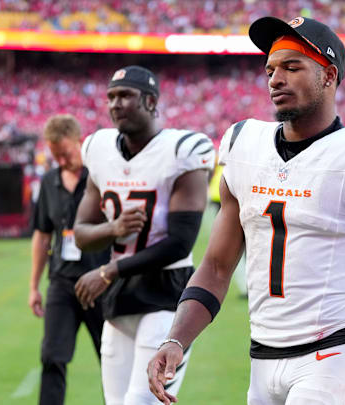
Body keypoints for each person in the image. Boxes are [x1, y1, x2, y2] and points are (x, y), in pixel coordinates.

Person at [147, 16, 345, 405]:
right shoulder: (245, 146)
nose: (276, 79)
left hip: (332, 354)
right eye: (270, 69)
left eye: (293, 67)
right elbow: (218, 266)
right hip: (261, 356)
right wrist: (176, 339)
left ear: (329, 76)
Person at [73, 66, 214, 405]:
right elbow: (80, 233)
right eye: (110, 97)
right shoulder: (98, 147)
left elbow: (180, 242)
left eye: (125, 96)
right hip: (121, 297)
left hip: (166, 291)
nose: (115, 104)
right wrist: (114, 229)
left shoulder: (183, 150)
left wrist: (109, 270)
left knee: (142, 402)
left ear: (151, 101)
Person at [29, 115, 110, 405]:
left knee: (111, 360)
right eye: (56, 156)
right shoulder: (49, 182)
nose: (62, 161)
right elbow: (42, 236)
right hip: (62, 283)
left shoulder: (102, 176)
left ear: (80, 141)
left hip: (100, 281)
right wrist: (33, 286)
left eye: (66, 153)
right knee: (52, 357)